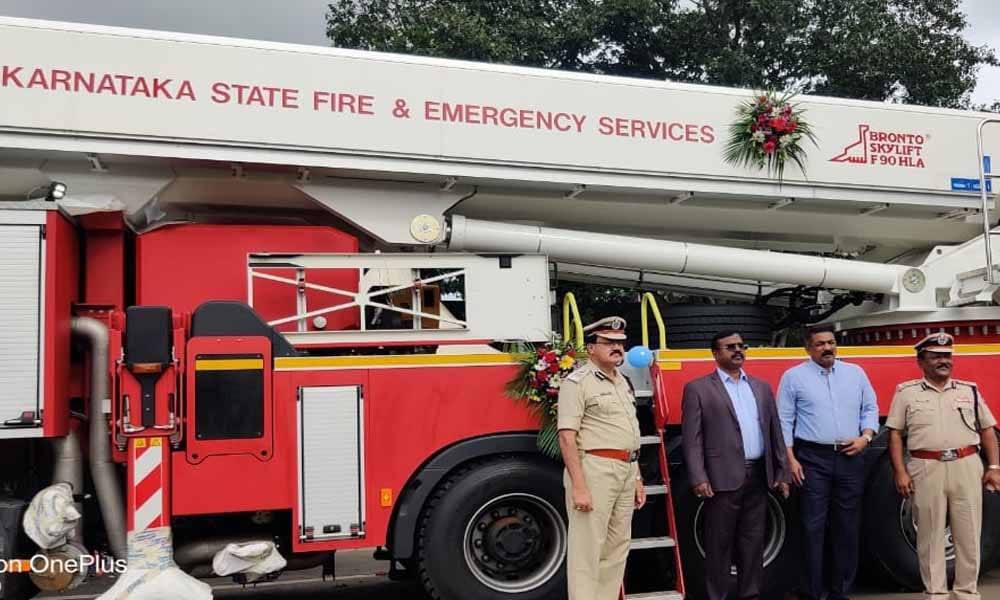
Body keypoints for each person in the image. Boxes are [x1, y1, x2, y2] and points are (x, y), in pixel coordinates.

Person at [886, 332, 1000, 600]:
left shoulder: (968, 390)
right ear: (921, 361)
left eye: (947, 356)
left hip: (966, 464)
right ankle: (935, 593)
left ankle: (966, 592)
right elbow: (894, 434)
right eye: (935, 356)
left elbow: (987, 430)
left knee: (969, 533)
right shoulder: (907, 393)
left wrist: (994, 468)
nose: (943, 361)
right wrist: (900, 471)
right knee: (929, 535)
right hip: (926, 467)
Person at [681, 330, 789, 600]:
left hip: (758, 476)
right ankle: (716, 596)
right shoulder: (698, 389)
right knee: (719, 545)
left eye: (741, 346)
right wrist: (698, 477)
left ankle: (749, 595)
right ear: (716, 354)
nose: (738, 350)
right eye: (730, 347)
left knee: (752, 543)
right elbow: (692, 439)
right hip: (721, 478)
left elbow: (775, 431)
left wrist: (782, 470)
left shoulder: (761, 387)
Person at [776, 323, 878, 600]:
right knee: (811, 526)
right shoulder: (793, 377)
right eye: (820, 344)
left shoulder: (855, 373)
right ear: (808, 348)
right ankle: (810, 591)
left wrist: (865, 437)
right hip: (812, 458)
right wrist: (790, 460)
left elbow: (870, 407)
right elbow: (783, 419)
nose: (827, 348)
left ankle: (840, 592)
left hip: (851, 456)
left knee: (847, 526)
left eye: (831, 342)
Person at [557, 316, 646, 600]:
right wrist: (579, 485)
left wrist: (638, 477)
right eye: (608, 342)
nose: (617, 347)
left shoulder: (623, 381)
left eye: (620, 343)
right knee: (587, 551)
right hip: (595, 469)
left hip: (626, 468)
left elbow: (629, 432)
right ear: (591, 347)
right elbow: (566, 437)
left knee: (617, 548)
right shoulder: (577, 382)